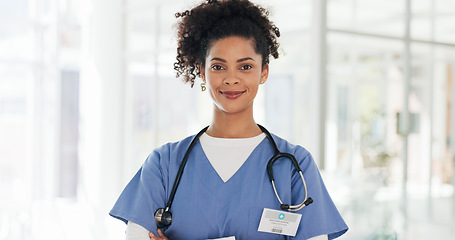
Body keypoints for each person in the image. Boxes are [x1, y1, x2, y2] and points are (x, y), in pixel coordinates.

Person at [109, 0, 348, 239]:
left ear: (263, 72)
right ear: (202, 71)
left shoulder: (294, 165)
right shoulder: (164, 164)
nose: (231, 79)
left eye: (245, 66)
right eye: (218, 67)